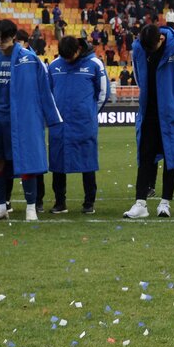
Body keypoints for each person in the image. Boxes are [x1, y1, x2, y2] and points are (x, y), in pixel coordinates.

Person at [0, 18, 62, 221]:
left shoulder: (29, 60)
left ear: (14, 37)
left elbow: (44, 90)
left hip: (22, 121)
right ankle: (1, 207)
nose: (0, 42)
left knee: (26, 161)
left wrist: (52, 117)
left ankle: (30, 207)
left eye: (4, 38)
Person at [124, 22, 174, 219]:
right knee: (145, 157)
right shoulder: (139, 48)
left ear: (162, 39)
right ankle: (140, 203)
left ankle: (165, 203)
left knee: (171, 157)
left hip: (173, 113)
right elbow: (139, 76)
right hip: (149, 113)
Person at [47, 36, 107, 214]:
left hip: (84, 124)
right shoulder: (54, 66)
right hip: (60, 125)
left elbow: (103, 93)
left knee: (87, 163)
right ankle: (60, 202)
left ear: (79, 49)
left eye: (70, 56)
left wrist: (90, 113)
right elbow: (48, 93)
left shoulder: (95, 64)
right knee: (57, 164)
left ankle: (89, 203)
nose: (67, 60)